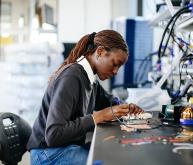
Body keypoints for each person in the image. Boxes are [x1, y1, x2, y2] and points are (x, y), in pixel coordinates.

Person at [27, 30, 143, 165]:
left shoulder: (90, 78)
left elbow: (109, 101)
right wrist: (98, 117)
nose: (116, 72)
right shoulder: (72, 77)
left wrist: (124, 107)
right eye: (115, 63)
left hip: (67, 146)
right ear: (100, 52)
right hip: (47, 152)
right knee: (107, 161)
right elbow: (54, 134)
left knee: (115, 154)